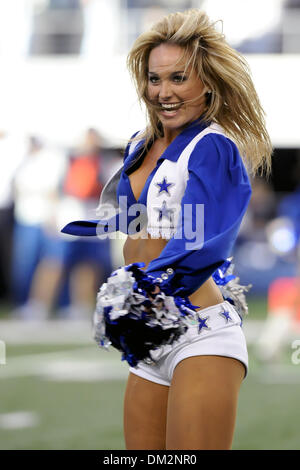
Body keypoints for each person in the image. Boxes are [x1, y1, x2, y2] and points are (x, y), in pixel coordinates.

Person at [62, 9, 272, 450]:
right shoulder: (140, 143)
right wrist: (93, 226)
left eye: (179, 78)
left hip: (200, 329)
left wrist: (148, 287)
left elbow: (205, 236)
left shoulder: (212, 145)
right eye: (155, 79)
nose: (164, 92)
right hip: (151, 331)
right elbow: (138, 221)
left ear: (208, 82)